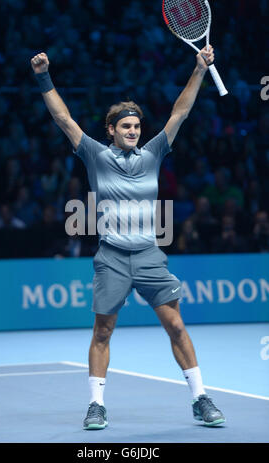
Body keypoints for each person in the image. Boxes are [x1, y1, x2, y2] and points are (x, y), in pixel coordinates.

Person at [31, 46, 225, 429]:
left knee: (177, 326)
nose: (133, 131)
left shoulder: (153, 153)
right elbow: (63, 118)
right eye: (126, 126)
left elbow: (180, 112)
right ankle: (96, 404)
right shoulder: (95, 155)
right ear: (112, 130)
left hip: (150, 255)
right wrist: (42, 77)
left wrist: (200, 69)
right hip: (113, 257)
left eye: (136, 126)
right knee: (103, 330)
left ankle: (200, 398)